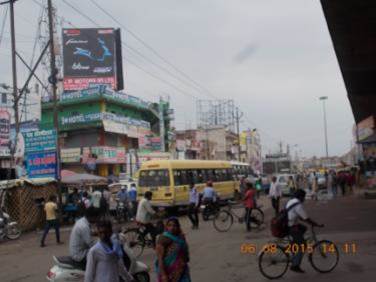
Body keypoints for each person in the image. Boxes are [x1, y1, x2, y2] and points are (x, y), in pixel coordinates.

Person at [286, 189, 322, 273]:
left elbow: (300, 216)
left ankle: (294, 246)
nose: (304, 199)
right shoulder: (297, 204)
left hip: (289, 225)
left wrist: (309, 222)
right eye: (304, 197)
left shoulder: (291, 201)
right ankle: (295, 265)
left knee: (303, 228)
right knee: (303, 245)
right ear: (300, 197)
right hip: (292, 227)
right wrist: (315, 224)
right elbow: (306, 218)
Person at [155, 217, 191, 282]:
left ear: (178, 227)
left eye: (174, 225)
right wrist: (164, 275)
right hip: (168, 273)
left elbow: (185, 252)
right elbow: (160, 259)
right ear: (166, 227)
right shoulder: (162, 239)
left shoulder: (180, 237)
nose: (172, 228)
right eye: (169, 225)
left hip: (182, 270)